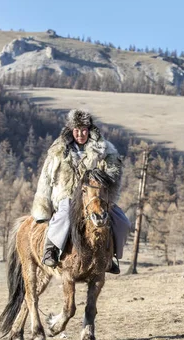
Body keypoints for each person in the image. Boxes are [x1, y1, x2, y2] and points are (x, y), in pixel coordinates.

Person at [31, 109, 130, 273]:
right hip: (67, 196)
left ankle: (110, 257)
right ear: (71, 130)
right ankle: (51, 250)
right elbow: (45, 178)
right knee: (64, 217)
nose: (81, 133)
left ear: (89, 129)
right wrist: (42, 207)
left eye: (84, 129)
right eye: (77, 130)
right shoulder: (58, 150)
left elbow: (115, 169)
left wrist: (105, 177)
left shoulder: (103, 148)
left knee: (123, 222)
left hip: (95, 197)